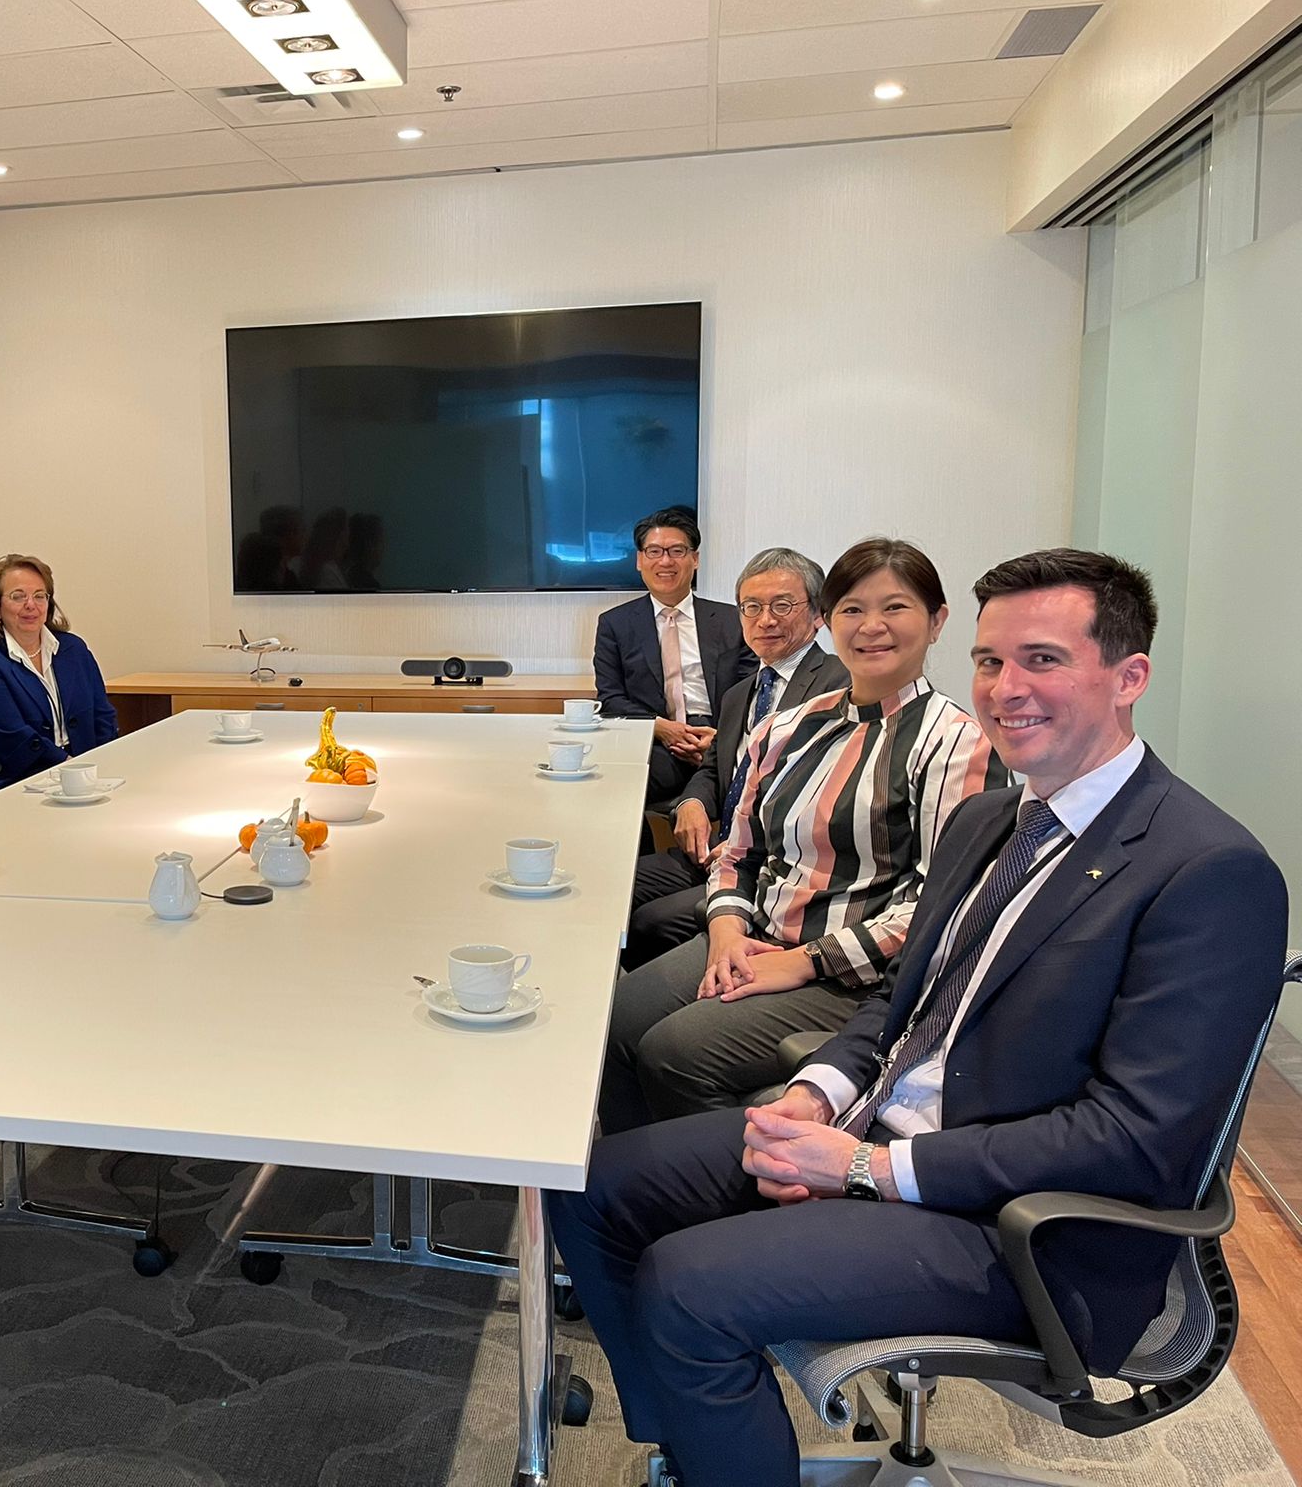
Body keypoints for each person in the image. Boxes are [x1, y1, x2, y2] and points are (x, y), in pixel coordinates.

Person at [548, 549, 1288, 1487]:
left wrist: (866, 1169)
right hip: (882, 1131)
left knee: (686, 1285)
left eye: (1043, 660)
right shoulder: (993, 822)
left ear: (1128, 676)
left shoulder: (1208, 871)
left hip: (1019, 1228)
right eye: (990, 661)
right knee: (592, 1185)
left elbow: (1134, 1141)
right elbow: (903, 1002)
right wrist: (816, 1095)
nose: (1006, 689)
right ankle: (690, 1444)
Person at [602, 539, 1004, 1130]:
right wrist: (726, 929)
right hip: (753, 935)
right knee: (611, 1022)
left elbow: (943, 906)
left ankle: (730, 1173)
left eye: (894, 607)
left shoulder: (957, 743)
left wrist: (805, 962)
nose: (871, 626)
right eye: (852, 609)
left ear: (937, 621)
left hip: (850, 974)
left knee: (674, 1052)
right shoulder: (787, 727)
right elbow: (741, 851)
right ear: (830, 620)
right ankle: (626, 1168)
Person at [623, 548, 846, 970]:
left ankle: (692, 995)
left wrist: (748, 838)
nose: (766, 620)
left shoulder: (838, 685)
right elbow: (715, 767)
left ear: (818, 614)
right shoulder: (740, 693)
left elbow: (826, 794)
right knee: (616, 883)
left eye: (782, 605)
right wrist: (692, 802)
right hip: (717, 850)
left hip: (773, 862)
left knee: (649, 923)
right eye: (752, 607)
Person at [593, 507, 756, 802]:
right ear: (639, 560)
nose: (665, 561)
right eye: (654, 551)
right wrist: (661, 728)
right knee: (614, 785)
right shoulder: (615, 624)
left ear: (695, 559)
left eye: (677, 551)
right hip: (656, 743)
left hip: (723, 738)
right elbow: (610, 698)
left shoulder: (733, 620)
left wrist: (720, 739)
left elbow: (752, 689)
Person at [0, 554, 118, 800]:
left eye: (40, 596)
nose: (31, 605)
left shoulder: (74, 649)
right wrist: (71, 769)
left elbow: (102, 716)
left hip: (78, 773)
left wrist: (100, 764)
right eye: (18, 596)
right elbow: (14, 739)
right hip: (8, 777)